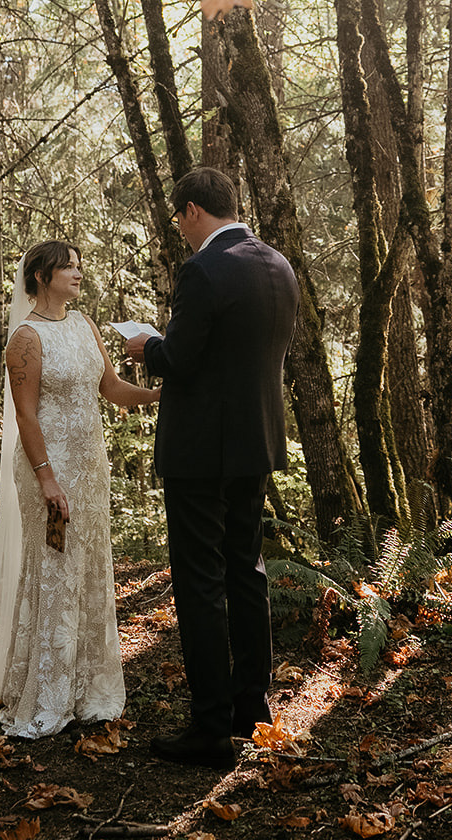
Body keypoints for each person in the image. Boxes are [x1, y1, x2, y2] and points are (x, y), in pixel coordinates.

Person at [126, 167, 299, 770]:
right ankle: (253, 709)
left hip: (201, 450)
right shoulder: (277, 264)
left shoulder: (202, 270)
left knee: (200, 583)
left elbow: (180, 359)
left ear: (194, 210)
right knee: (246, 573)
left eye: (179, 218)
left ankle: (208, 729)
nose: (179, 230)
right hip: (256, 443)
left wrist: (145, 345)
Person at [0, 241, 160, 739]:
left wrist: (160, 394)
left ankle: (90, 689)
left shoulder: (86, 325)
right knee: (54, 567)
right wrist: (46, 478)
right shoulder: (25, 339)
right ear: (42, 275)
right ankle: (46, 693)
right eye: (68, 266)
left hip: (91, 467)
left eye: (78, 265)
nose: (78, 272)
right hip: (50, 469)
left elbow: (110, 389)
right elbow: (25, 414)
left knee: (87, 567)